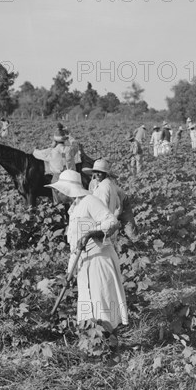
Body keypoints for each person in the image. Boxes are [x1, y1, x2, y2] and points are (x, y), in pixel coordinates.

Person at [45, 170, 127, 331]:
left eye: (57, 191)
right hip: (84, 262)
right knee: (88, 303)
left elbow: (112, 222)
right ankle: (93, 339)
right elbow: (74, 247)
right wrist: (70, 272)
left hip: (99, 259)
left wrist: (92, 233)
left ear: (66, 191)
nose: (55, 194)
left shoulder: (90, 201)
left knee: (102, 301)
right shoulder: (74, 209)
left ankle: (108, 338)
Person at [33, 130, 72, 203]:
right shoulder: (70, 149)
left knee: (57, 197)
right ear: (64, 141)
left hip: (58, 177)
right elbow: (75, 145)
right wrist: (70, 137)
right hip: (70, 176)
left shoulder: (51, 151)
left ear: (55, 141)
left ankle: (58, 205)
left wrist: (36, 149)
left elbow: (36, 154)